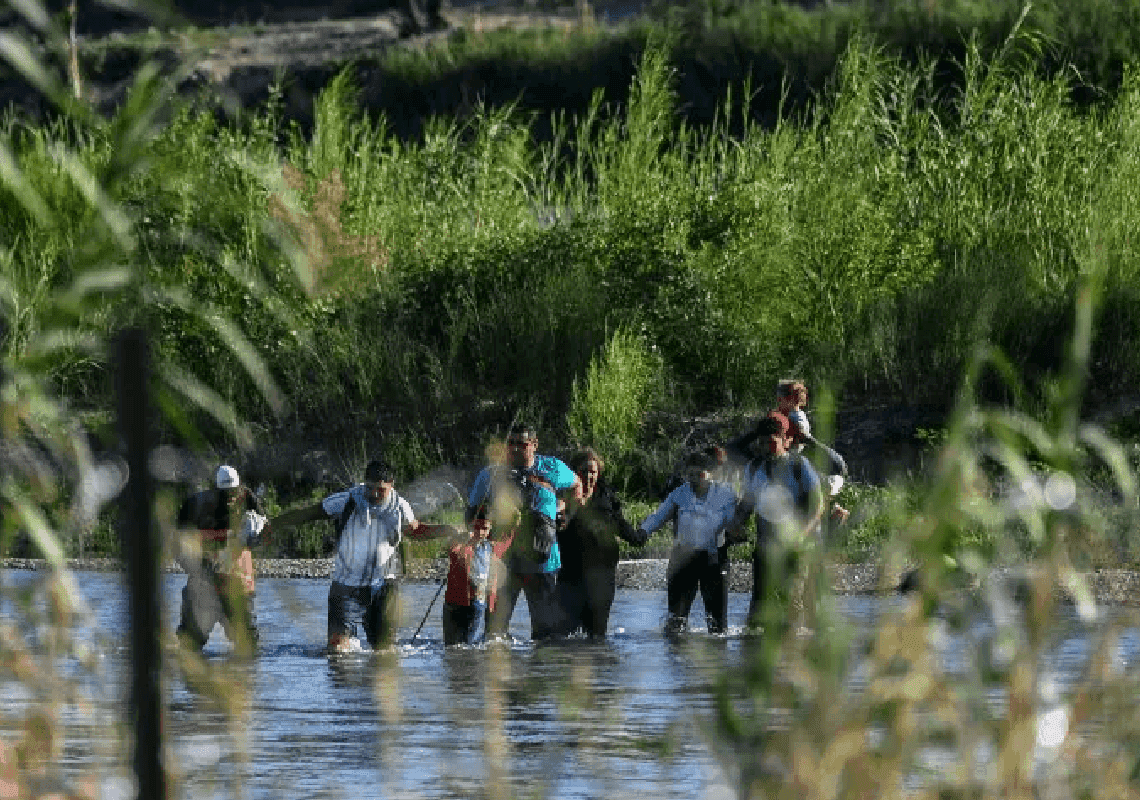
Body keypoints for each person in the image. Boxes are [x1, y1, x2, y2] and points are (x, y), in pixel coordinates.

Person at [273, 458, 462, 652]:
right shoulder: (347, 500)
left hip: (384, 586)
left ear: (391, 486)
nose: (374, 493)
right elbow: (307, 513)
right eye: (370, 487)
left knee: (384, 652)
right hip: (346, 587)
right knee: (338, 650)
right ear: (365, 483)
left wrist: (447, 530)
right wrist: (272, 526)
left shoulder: (400, 506)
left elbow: (415, 531)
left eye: (381, 489)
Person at [465, 426, 582, 641]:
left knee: (546, 636)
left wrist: (566, 509)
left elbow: (577, 484)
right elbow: (470, 513)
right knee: (494, 635)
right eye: (511, 443)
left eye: (522, 444)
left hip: (543, 563)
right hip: (503, 563)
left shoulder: (552, 468)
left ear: (535, 445)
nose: (516, 449)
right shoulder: (491, 474)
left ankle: (538, 674)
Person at [728, 412, 825, 633]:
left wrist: (803, 534)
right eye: (762, 442)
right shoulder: (753, 467)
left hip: (795, 543)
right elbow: (747, 504)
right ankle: (753, 656)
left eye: (771, 441)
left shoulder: (799, 465)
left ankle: (795, 651)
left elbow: (818, 506)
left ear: (784, 440)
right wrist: (736, 523)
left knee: (792, 603)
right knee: (758, 609)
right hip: (765, 543)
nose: (766, 446)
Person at [635, 450, 737, 636]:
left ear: (710, 473)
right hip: (682, 559)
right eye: (689, 475)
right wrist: (642, 532)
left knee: (718, 628)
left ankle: (716, 660)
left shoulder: (725, 494)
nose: (694, 479)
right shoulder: (679, 494)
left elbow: (734, 524)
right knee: (676, 623)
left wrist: (736, 533)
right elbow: (658, 517)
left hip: (713, 560)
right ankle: (677, 658)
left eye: (699, 474)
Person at [175, 464, 269, 654]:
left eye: (234, 491)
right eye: (225, 493)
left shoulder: (248, 500)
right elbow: (178, 541)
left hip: (237, 586)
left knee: (249, 650)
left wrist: (255, 532)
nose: (231, 497)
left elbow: (265, 532)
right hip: (203, 586)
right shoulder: (196, 505)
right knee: (188, 650)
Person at [557, 448, 646, 638]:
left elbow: (620, 523)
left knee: (596, 633)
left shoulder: (606, 497)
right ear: (574, 473)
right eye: (584, 471)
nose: (589, 476)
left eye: (593, 472)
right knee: (564, 633)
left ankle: (599, 664)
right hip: (570, 573)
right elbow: (554, 526)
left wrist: (638, 537)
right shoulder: (563, 497)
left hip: (602, 574)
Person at [441, 507, 512, 645]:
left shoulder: (493, 547)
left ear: (490, 529)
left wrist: (515, 516)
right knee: (450, 647)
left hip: (477, 605)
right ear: (470, 527)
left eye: (484, 529)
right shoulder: (460, 543)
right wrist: (464, 538)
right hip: (454, 604)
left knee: (469, 647)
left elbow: (509, 536)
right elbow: (453, 551)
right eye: (476, 528)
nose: (480, 532)